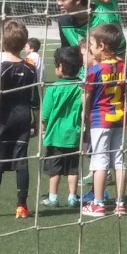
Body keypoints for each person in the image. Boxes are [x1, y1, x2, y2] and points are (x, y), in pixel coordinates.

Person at [52, 0, 127, 196]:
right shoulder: (63, 21)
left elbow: (120, 54)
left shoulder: (104, 17)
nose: (58, 3)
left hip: (115, 78)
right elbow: (70, 53)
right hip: (87, 80)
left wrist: (126, 87)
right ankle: (101, 171)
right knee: (89, 124)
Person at [0, 19, 40, 219]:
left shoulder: (0, 68)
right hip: (23, 118)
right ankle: (22, 206)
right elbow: (34, 96)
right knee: (21, 160)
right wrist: (35, 120)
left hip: (3, 119)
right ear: (24, 43)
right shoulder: (30, 68)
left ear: (2, 43)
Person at [81, 23, 127, 217]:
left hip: (100, 120)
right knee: (119, 160)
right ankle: (120, 203)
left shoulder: (94, 71)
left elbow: (86, 97)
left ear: (102, 46)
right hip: (119, 119)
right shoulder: (123, 67)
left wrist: (85, 116)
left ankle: (98, 204)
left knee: (100, 161)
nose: (90, 48)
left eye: (91, 45)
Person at [39, 46, 83, 208]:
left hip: (55, 136)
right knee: (73, 169)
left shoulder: (53, 88)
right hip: (74, 135)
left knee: (54, 170)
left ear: (60, 66)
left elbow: (45, 114)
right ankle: (72, 197)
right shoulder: (81, 87)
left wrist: (43, 129)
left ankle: (53, 197)